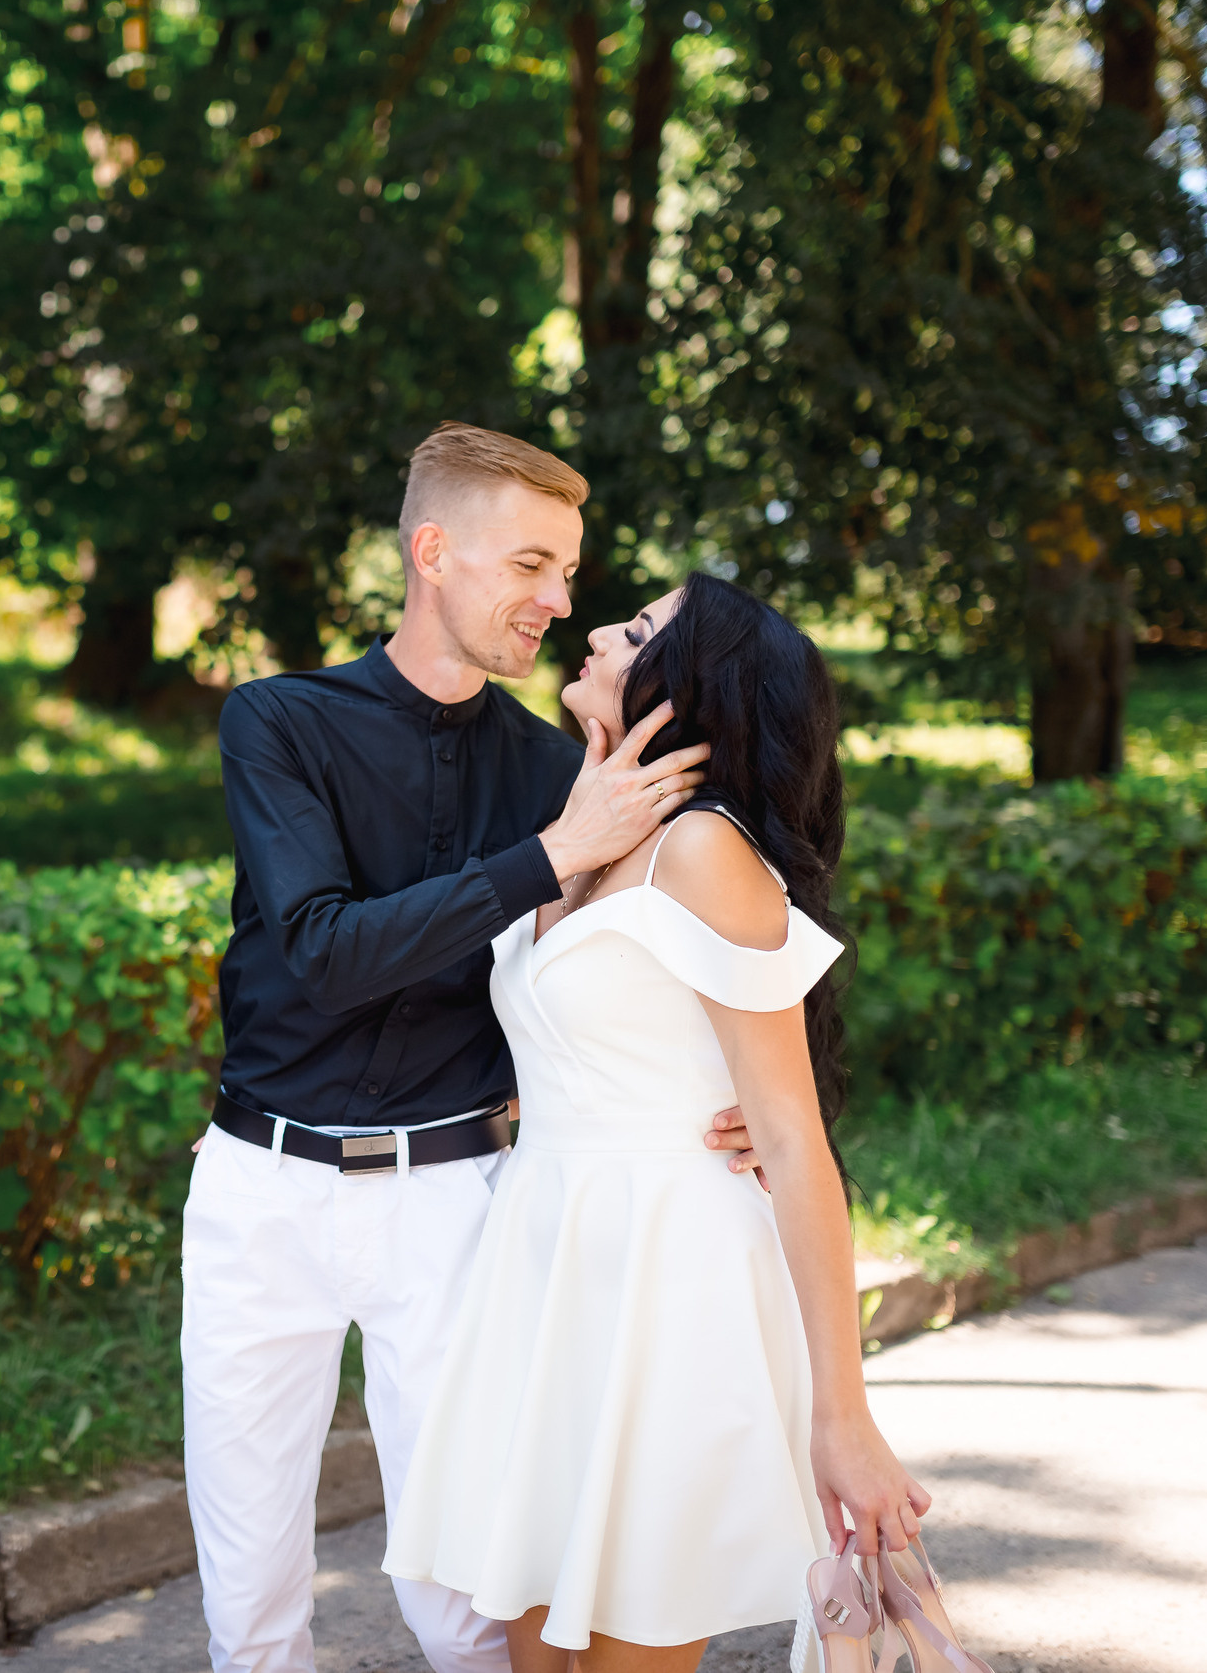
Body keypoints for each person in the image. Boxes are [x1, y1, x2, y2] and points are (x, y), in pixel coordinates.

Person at [186, 423, 755, 1673]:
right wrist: (547, 854)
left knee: (473, 1595)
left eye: (568, 573)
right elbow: (325, 950)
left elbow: (704, 917)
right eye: (532, 565)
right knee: (250, 1593)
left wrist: (755, 1094)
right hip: (256, 1190)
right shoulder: (278, 723)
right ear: (433, 551)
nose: (558, 601)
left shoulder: (566, 768)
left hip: (456, 1198)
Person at [383, 575, 981, 1673]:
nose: (600, 627)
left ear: (686, 690)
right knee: (532, 1643)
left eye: (640, 628)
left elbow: (791, 1137)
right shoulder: (580, 824)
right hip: (544, 1261)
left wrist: (840, 1414)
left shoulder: (703, 853)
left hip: (669, 1279)